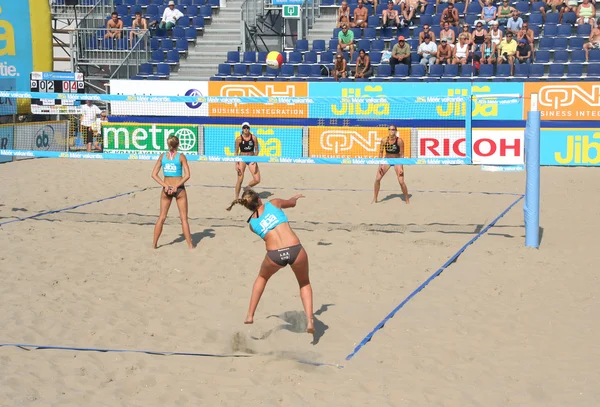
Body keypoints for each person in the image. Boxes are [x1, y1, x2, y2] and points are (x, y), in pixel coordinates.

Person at [226, 189, 314, 334]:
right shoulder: (274, 203)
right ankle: (310, 321)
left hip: (275, 255)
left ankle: (250, 315)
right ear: (259, 199)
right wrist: (294, 198)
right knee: (304, 282)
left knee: (262, 277)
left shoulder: (252, 224)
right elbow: (291, 204)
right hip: (295, 250)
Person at [151, 136, 194, 250]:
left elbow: (153, 174)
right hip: (178, 189)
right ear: (178, 144)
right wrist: (176, 186)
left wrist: (165, 185)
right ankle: (190, 246)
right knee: (183, 218)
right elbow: (187, 175)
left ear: (168, 144)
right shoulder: (181, 157)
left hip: (166, 189)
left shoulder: (162, 156)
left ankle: (154, 244)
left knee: (162, 217)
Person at [372, 125, 409, 204]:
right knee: (377, 179)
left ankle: (407, 199)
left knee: (401, 181)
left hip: (397, 160)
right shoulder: (384, 140)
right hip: (387, 159)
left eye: (393, 129)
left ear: (396, 131)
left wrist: (401, 167)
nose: (391, 131)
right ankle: (375, 198)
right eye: (390, 129)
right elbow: (381, 152)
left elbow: (402, 154)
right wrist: (380, 165)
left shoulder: (399, 141)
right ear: (388, 130)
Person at [234, 122, 261, 199]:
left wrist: (255, 159)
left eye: (247, 128)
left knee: (257, 180)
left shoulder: (254, 137)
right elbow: (236, 152)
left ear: (249, 129)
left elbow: (257, 150)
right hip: (242, 158)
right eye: (244, 128)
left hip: (251, 158)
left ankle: (247, 187)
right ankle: (236, 198)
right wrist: (237, 164)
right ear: (242, 129)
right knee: (240, 179)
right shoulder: (239, 139)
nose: (246, 129)